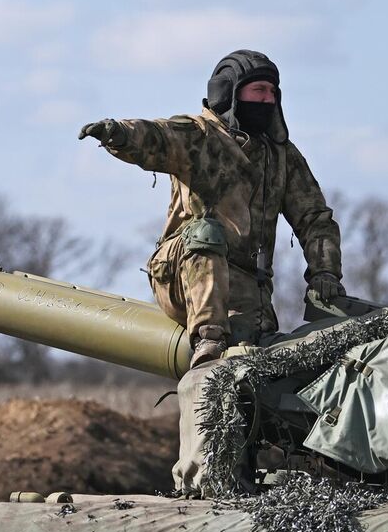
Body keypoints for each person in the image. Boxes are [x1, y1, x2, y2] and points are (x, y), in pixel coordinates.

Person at [79, 50, 345, 367]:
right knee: (207, 232)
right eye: (258, 90)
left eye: (273, 92)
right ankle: (208, 337)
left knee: (252, 355)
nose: (267, 100)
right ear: (229, 93)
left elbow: (314, 218)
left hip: (246, 286)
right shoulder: (199, 137)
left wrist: (325, 272)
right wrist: (118, 133)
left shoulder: (280, 156)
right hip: (183, 271)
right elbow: (157, 136)